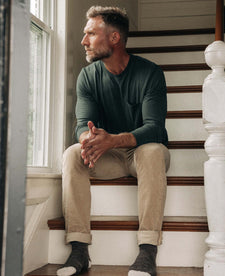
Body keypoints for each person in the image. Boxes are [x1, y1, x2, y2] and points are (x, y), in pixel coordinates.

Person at [57, 6, 170, 276]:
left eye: (91, 34)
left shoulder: (150, 73)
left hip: (141, 154)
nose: (83, 41)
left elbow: (155, 128)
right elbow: (82, 126)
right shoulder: (88, 76)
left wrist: (114, 140)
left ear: (115, 38)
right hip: (108, 157)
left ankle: (147, 251)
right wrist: (90, 139)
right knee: (73, 153)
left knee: (153, 151)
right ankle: (79, 249)